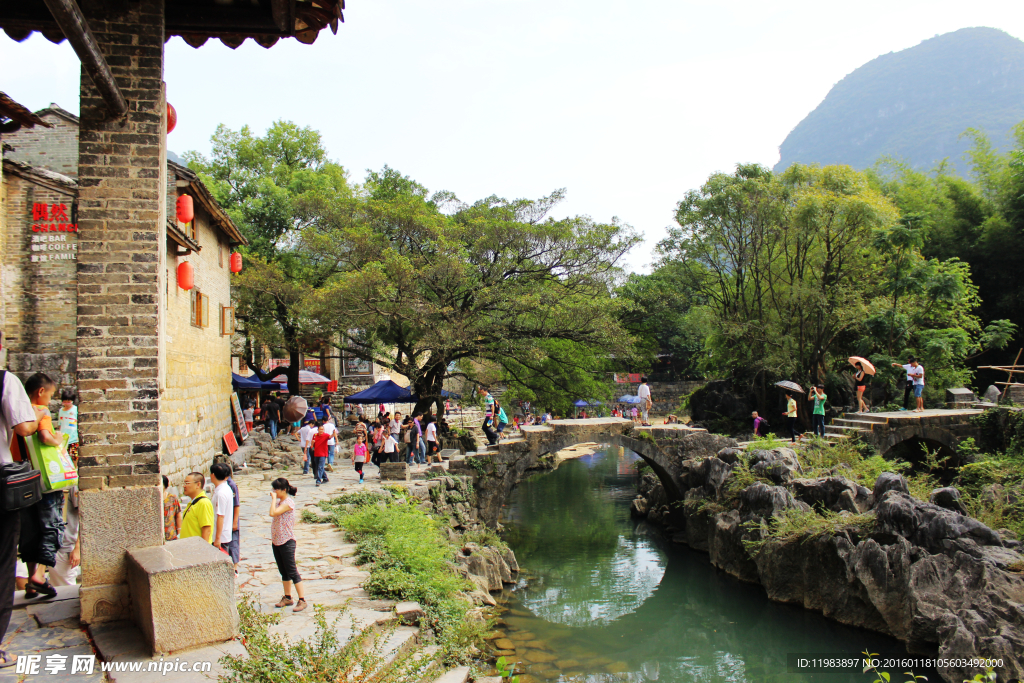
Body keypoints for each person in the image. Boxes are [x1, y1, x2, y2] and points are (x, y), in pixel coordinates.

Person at [16, 373, 64, 600]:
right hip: (43, 480)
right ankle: (40, 575)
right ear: (41, 391)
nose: (50, 400)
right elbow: (45, 437)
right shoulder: (40, 411)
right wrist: (59, 439)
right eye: (51, 394)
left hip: (19, 478)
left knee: (29, 530)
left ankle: (30, 580)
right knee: (52, 526)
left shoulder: (15, 413)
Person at [269, 478, 306, 612]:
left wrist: (273, 500)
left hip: (287, 541)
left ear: (284, 490)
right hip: (277, 540)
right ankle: (287, 597)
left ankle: (302, 600)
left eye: (276, 489)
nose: (274, 491)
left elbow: (272, 513)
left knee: (292, 571)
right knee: (283, 571)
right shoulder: (280, 502)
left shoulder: (288, 503)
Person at [49, 486, 80, 587]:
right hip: (51, 547)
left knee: (66, 589)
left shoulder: (72, 484)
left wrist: (78, 548)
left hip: (66, 548)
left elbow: (85, 515)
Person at [180, 472, 214, 542]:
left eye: (187, 483)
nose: (184, 486)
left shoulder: (203, 503)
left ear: (198, 484)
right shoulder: (192, 502)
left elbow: (206, 530)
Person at [209, 463, 234, 558]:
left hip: (220, 535)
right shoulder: (226, 488)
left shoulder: (221, 493)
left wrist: (217, 538)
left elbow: (221, 516)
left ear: (213, 475)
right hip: (223, 533)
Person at [224, 464, 242, 573]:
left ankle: (235, 568)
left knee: (233, 544)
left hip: (232, 521)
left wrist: (235, 522)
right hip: (226, 521)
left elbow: (237, 505)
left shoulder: (231, 485)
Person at [57, 387, 79, 461]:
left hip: (74, 437)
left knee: (74, 456)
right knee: (64, 456)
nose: (66, 404)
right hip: (64, 437)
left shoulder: (75, 409)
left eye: (68, 402)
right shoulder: (61, 411)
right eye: (65, 402)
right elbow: (60, 423)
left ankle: (75, 469)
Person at [162, 475, 182, 541]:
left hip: (171, 535)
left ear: (165, 487)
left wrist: (179, 532)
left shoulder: (172, 498)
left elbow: (178, 515)